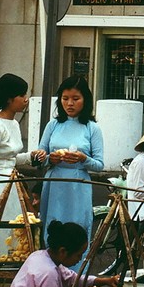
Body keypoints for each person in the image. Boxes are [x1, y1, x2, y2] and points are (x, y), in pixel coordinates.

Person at [32, 76, 103, 257]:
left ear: (85, 100)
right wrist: (49, 158)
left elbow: (99, 165)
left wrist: (83, 159)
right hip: (54, 183)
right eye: (65, 99)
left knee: (77, 230)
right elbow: (40, 157)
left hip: (78, 186)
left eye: (75, 99)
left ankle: (74, 279)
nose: (69, 103)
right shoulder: (53, 125)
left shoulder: (92, 128)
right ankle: (51, 277)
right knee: (52, 229)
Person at [0, 74, 30, 233]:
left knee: (13, 229)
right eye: (21, 95)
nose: (25, 99)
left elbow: (11, 159)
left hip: (13, 184)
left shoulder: (15, 124)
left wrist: (31, 157)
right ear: (9, 99)